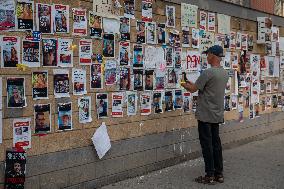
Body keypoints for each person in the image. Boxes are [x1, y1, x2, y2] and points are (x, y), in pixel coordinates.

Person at [181, 45, 229, 185]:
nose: (206, 57)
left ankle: (209, 175)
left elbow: (192, 89)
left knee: (206, 145)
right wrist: (192, 84)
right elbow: (202, 87)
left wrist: (182, 82)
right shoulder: (224, 73)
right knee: (216, 143)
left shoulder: (208, 73)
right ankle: (219, 173)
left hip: (205, 115)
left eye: (207, 54)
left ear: (212, 55)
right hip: (216, 114)